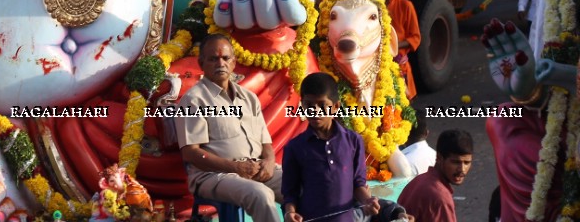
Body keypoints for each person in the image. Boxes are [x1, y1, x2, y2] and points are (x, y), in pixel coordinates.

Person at [175, 34, 283, 222]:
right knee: (261, 194)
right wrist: (235, 167)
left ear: (233, 63)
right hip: (213, 175)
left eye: (225, 58)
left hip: (256, 167)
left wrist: (269, 159)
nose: (220, 63)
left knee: (303, 183)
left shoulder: (249, 98)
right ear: (201, 63)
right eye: (213, 59)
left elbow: (265, 140)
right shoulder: (194, 100)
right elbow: (190, 153)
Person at [281, 72, 380, 222]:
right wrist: (290, 213)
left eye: (322, 105)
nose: (315, 111)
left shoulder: (353, 141)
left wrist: (368, 201)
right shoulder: (295, 147)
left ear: (335, 107)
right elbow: (290, 193)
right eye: (309, 105)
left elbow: (358, 184)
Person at [397, 129, 472, 222]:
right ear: (439, 158)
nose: (462, 169)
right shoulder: (440, 197)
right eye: (455, 162)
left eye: (467, 162)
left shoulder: (421, 179)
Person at [376, 0, 420, 99]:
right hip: (378, 66)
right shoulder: (374, 6)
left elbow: (415, 37)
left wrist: (393, 47)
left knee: (405, 107)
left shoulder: (406, 5)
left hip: (399, 66)